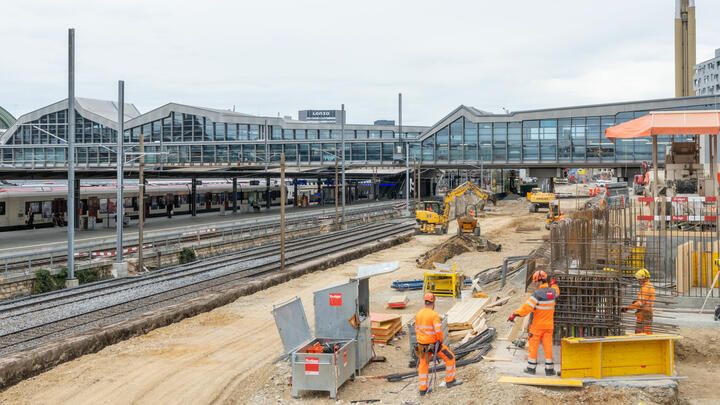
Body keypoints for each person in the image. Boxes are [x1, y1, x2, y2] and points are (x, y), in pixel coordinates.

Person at [507, 270, 560, 376]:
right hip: (549, 326)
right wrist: (554, 283)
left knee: (533, 346)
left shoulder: (537, 294)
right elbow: (557, 291)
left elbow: (526, 309)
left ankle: (531, 368)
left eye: (535, 282)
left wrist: (514, 314)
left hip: (537, 327)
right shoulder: (552, 292)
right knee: (548, 346)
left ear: (538, 282)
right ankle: (549, 370)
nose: (535, 284)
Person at [415, 292, 462, 396]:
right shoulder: (433, 315)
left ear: (425, 302)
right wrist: (439, 341)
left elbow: (417, 329)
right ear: (433, 302)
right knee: (450, 358)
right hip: (433, 344)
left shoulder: (418, 314)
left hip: (421, 345)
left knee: (423, 365)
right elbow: (438, 332)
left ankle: (423, 389)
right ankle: (450, 380)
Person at [623, 268, 655, 334]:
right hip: (643, 313)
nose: (638, 281)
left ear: (643, 278)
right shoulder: (647, 286)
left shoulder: (646, 288)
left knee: (644, 334)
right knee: (641, 332)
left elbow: (640, 303)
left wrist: (627, 308)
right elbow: (642, 301)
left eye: (639, 279)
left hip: (644, 314)